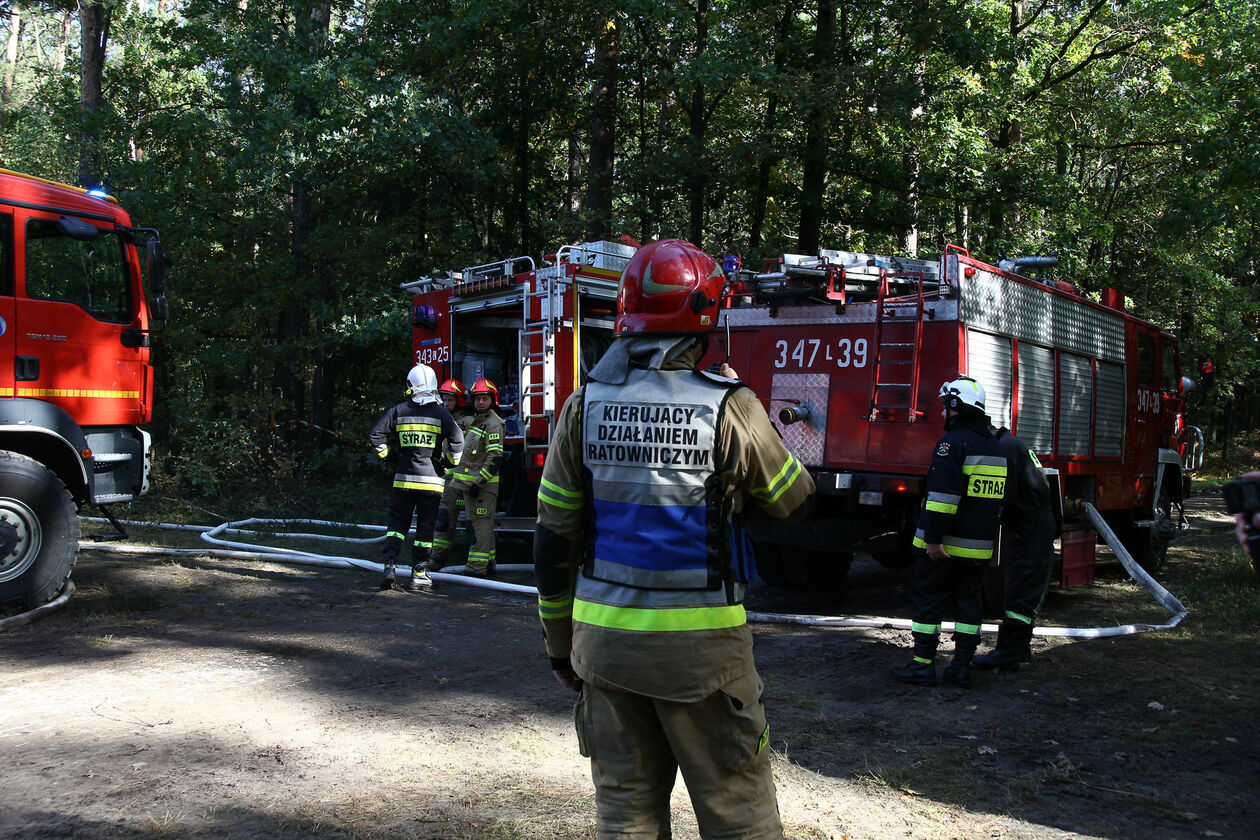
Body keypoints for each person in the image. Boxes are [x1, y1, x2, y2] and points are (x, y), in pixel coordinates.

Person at [532, 238, 815, 839]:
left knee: (625, 817)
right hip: (704, 657)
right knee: (740, 817)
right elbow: (793, 499)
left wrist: (560, 647)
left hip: (605, 651)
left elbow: (554, 540)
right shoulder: (729, 405)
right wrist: (754, 418)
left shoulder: (582, 407)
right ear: (704, 315)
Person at [893, 375, 1008, 689]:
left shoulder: (952, 444)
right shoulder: (996, 447)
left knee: (929, 600)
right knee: (970, 603)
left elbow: (943, 498)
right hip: (978, 547)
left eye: (947, 405)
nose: (944, 412)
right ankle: (962, 668)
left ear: (957, 406)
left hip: (945, 547)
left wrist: (932, 539)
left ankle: (922, 665)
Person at [368, 364, 463, 591]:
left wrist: (391, 458)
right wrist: (448, 463)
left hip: (403, 479)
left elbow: (376, 436)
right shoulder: (442, 414)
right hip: (431, 483)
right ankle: (419, 574)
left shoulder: (398, 411)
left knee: (396, 526)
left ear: (411, 385)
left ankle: (389, 566)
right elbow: (458, 441)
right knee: (425, 529)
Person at [972, 426, 1056, 672]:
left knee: (1019, 592)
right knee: (1026, 592)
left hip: (1029, 531)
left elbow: (1002, 495)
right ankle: (1020, 650)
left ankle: (1008, 654)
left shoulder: (1005, 449)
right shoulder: (1012, 444)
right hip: (1033, 527)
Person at [442, 376, 505, 576]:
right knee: (480, 524)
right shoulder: (478, 422)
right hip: (471, 487)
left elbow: (495, 458)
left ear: (492, 400)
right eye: (477, 399)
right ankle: (488, 564)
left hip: (482, 487)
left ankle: (476, 568)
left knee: (478, 526)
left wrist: (479, 482)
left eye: (485, 399)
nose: (480, 402)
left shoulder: (493, 424)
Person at [431, 379, 474, 570]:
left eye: (450, 400)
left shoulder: (470, 422)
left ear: (459, 401)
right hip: (447, 479)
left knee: (474, 523)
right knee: (443, 519)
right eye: (444, 400)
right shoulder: (440, 420)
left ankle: (478, 561)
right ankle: (437, 558)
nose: (446, 403)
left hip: (467, 479)